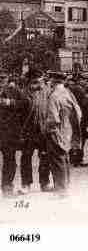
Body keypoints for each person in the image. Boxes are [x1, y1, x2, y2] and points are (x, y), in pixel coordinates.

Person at [45, 71, 82, 196]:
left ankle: (61, 189)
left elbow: (53, 118)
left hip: (56, 130)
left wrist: (49, 130)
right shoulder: (67, 93)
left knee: (57, 159)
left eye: (49, 80)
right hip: (67, 129)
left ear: (53, 81)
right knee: (64, 157)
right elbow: (78, 112)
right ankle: (66, 185)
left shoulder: (54, 96)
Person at [19, 69, 52, 194]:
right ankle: (26, 184)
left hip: (43, 131)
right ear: (29, 82)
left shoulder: (47, 92)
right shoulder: (23, 94)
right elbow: (19, 114)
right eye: (35, 82)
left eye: (40, 81)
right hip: (29, 131)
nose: (38, 84)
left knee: (45, 157)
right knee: (26, 157)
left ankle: (45, 183)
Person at [0, 69, 30, 198]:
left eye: (2, 78)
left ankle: (7, 187)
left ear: (7, 79)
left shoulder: (14, 91)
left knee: (10, 161)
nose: (0, 81)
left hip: (8, 132)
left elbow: (26, 104)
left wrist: (10, 103)